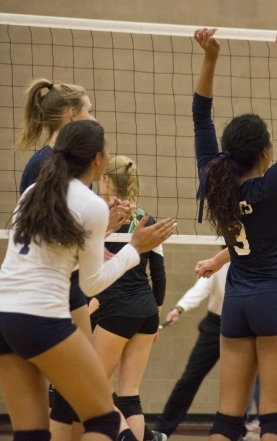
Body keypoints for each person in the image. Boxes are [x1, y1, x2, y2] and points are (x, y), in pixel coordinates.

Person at [0, 119, 175, 441]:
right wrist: (135, 248)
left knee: (31, 432)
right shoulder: (90, 202)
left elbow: (52, 247)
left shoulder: (33, 191)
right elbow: (90, 285)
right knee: (104, 421)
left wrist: (102, 230)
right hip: (40, 318)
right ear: (97, 158)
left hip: (4, 316)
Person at [193, 28, 277, 441]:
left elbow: (200, 115)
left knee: (227, 421)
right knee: (276, 420)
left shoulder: (213, 179)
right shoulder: (269, 187)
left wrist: (209, 58)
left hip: (237, 302)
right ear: (264, 153)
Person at [17, 79, 132, 440]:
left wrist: (105, 226)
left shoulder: (53, 173)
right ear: (71, 115)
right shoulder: (45, 168)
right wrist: (131, 248)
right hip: (55, 293)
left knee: (80, 391)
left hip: (33, 296)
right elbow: (53, 240)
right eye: (89, 110)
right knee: (89, 395)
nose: (93, 117)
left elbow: (65, 232)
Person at [93, 155, 168, 441]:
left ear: (108, 181)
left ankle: (125, 436)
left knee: (94, 386)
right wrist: (157, 317)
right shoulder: (146, 218)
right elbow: (159, 276)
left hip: (116, 309)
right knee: (129, 393)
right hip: (147, 311)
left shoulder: (101, 215)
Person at [154, 261, 229, 437]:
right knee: (189, 379)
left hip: (241, 326)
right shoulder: (219, 264)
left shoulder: (256, 262)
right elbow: (199, 289)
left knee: (240, 384)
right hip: (214, 326)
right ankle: (161, 431)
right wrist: (179, 309)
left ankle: (237, 433)